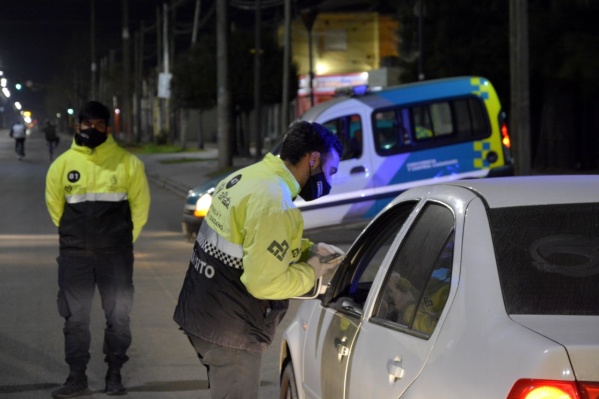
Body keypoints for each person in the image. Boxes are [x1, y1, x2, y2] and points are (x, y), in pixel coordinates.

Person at [174, 121, 345, 399]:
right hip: (231, 330)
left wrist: (305, 249)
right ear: (313, 159)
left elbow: (252, 238)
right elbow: (264, 284)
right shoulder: (275, 204)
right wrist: (310, 270)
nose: (330, 181)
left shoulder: (249, 177)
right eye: (331, 171)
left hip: (202, 311)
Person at [45, 101, 151, 398]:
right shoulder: (62, 166)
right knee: (75, 319)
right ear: (77, 126)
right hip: (74, 255)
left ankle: (114, 374)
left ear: (108, 127)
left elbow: (140, 209)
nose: (93, 129)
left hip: (115, 257)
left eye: (99, 124)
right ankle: (76, 377)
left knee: (118, 316)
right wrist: (74, 237)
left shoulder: (129, 164)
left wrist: (120, 241)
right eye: (87, 123)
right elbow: (56, 208)